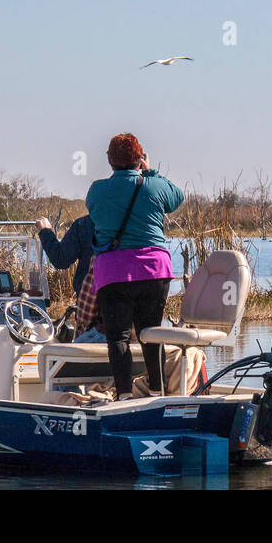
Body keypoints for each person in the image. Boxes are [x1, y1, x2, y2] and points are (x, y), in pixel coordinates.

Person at [85, 133, 183, 399]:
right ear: (139, 159)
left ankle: (125, 395)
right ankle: (156, 390)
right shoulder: (153, 185)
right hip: (154, 270)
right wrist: (150, 171)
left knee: (118, 337)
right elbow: (177, 198)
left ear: (110, 160)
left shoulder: (97, 190)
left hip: (114, 272)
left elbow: (96, 216)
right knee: (150, 333)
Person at [35, 214, 105, 342]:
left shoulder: (86, 224)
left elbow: (61, 259)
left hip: (93, 317)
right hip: (133, 318)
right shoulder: (140, 222)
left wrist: (45, 232)